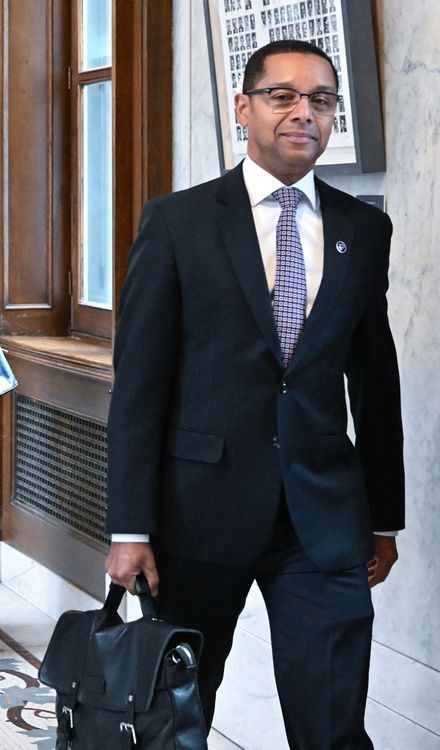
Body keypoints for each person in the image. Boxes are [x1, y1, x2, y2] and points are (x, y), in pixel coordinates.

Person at [104, 40, 403, 748]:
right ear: (243, 108)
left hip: (323, 519)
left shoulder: (364, 230)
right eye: (284, 96)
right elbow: (140, 386)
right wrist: (129, 529)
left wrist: (384, 518)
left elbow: (375, 378)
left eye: (322, 100)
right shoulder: (178, 222)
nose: (305, 113)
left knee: (332, 722)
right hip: (197, 513)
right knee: (174, 718)